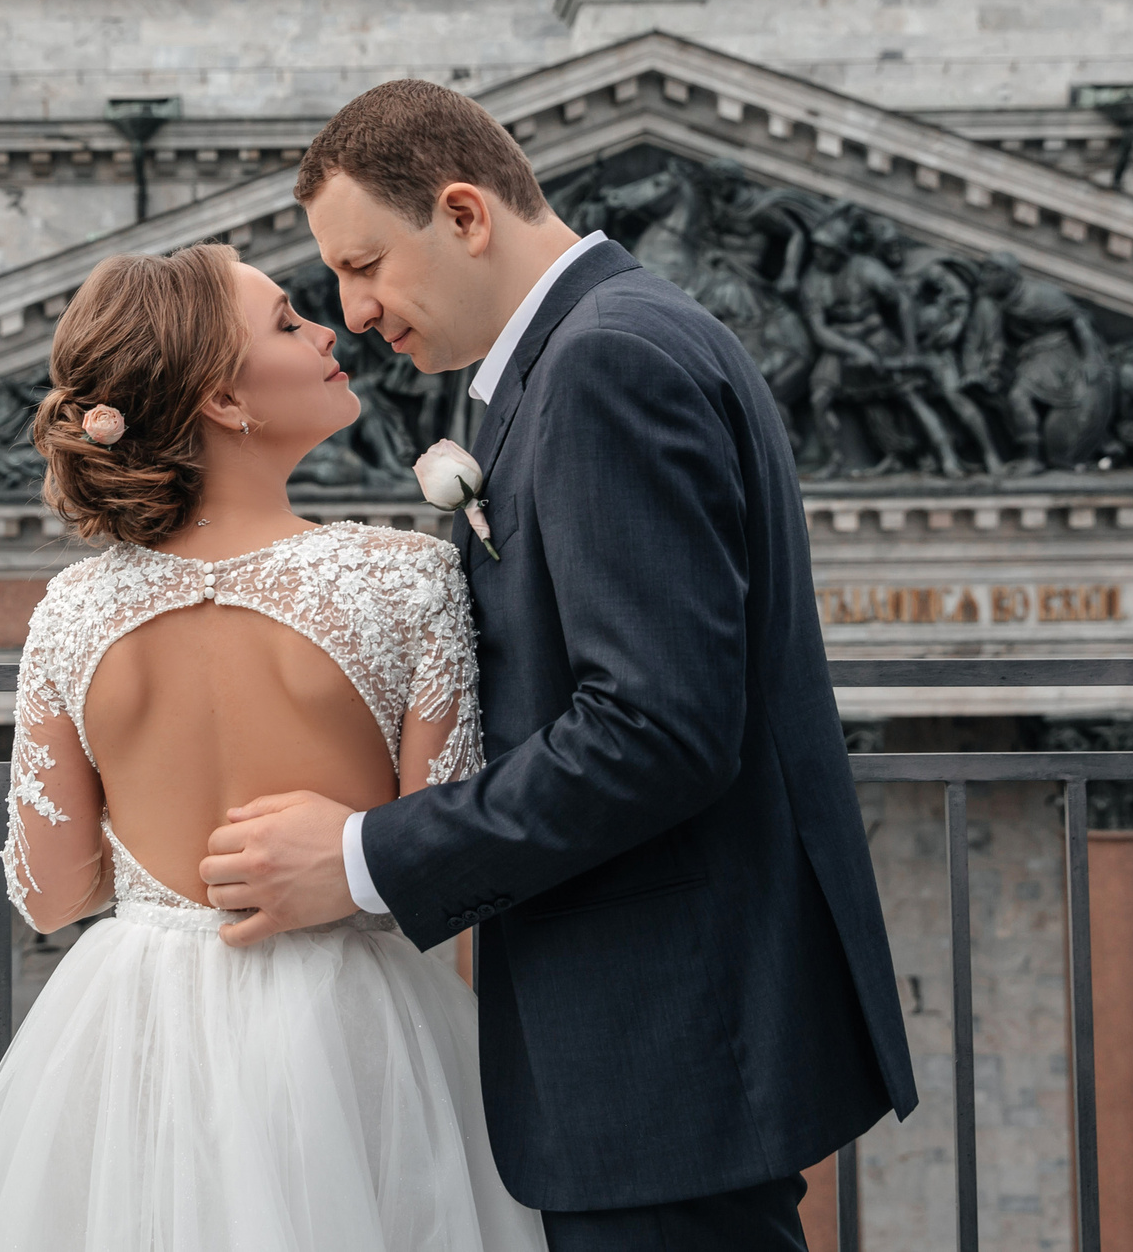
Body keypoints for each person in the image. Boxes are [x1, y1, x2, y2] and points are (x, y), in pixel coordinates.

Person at [203, 80, 916, 1251]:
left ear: (466, 213)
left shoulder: (604, 364)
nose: (357, 310)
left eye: (367, 263)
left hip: (659, 1038)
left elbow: (654, 729)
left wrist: (364, 857)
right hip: (674, 1033)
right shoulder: (606, 343)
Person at [0, 244, 542, 1252]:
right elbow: (449, 855)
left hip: (130, 1031)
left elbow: (50, 891)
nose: (330, 330)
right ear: (225, 402)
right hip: (349, 1025)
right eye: (290, 324)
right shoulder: (405, 579)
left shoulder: (71, 611)